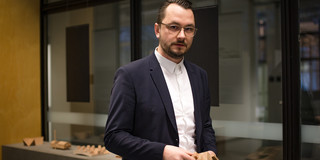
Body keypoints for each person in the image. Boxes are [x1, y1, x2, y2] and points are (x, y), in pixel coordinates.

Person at [104, 0, 218, 160]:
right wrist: (163, 152)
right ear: (157, 30)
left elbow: (205, 125)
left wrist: (211, 151)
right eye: (174, 27)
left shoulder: (200, 75)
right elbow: (114, 137)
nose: (181, 35)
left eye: (189, 29)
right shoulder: (130, 75)